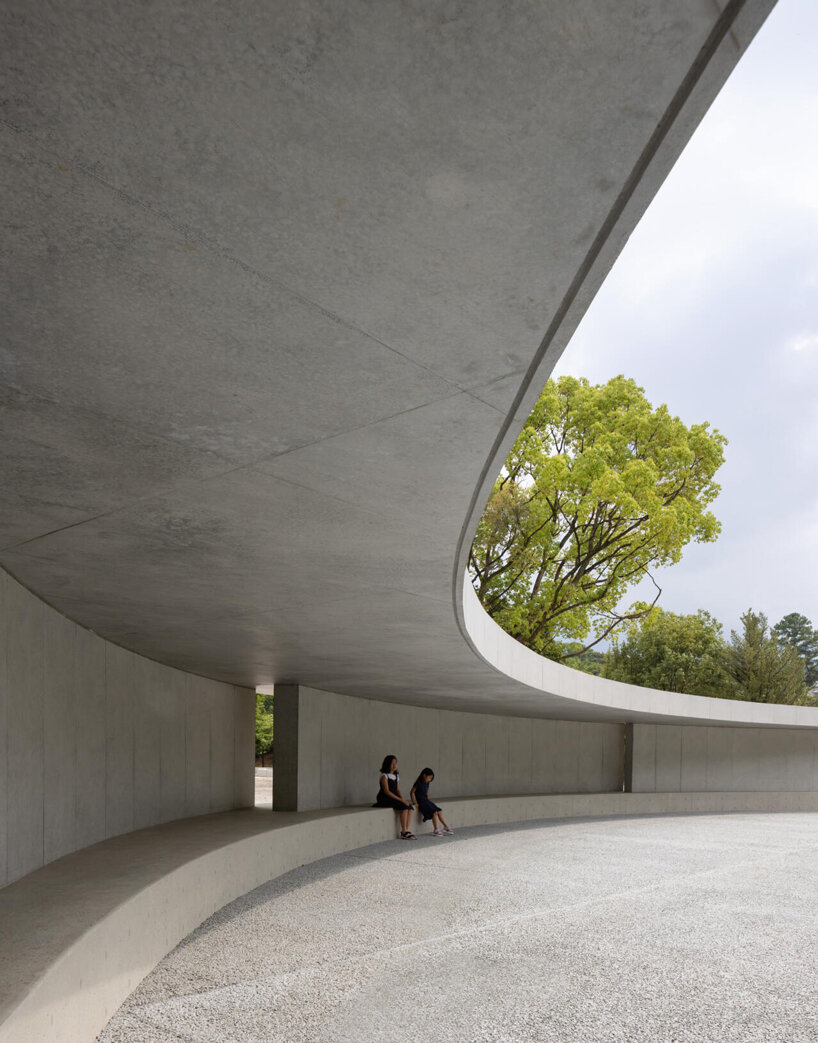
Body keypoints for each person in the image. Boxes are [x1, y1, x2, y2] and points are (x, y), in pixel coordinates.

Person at [374, 755, 416, 839]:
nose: (394, 765)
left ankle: (407, 829)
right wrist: (401, 800)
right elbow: (387, 791)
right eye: (392, 763)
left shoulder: (396, 776)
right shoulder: (384, 776)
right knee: (404, 807)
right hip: (386, 798)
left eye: (395, 763)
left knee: (410, 808)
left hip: (394, 797)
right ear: (387, 764)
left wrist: (403, 799)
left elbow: (398, 790)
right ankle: (404, 831)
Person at [410, 768, 453, 836]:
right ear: (424, 775)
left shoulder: (427, 783)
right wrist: (414, 802)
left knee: (439, 811)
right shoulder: (418, 783)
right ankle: (436, 829)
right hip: (422, 803)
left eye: (431, 778)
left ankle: (446, 827)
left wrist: (428, 799)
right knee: (434, 812)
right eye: (429, 777)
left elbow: (427, 792)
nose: (430, 779)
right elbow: (411, 792)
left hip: (427, 801)